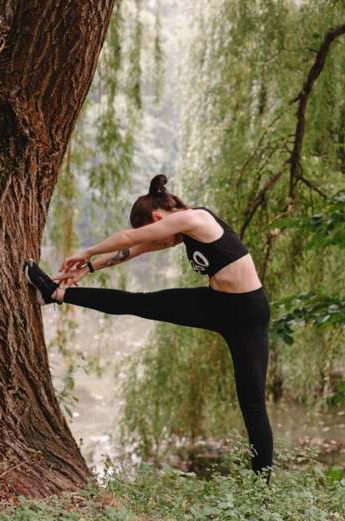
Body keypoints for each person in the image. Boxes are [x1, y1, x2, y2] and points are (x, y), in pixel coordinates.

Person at [24, 174, 273, 477]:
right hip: (215, 304)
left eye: (154, 233)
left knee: (253, 406)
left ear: (158, 218)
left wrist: (86, 252)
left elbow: (129, 239)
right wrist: (87, 269)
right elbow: (132, 250)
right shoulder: (180, 229)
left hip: (247, 314)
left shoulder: (196, 219)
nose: (157, 243)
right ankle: (54, 293)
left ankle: (263, 491)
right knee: (139, 303)